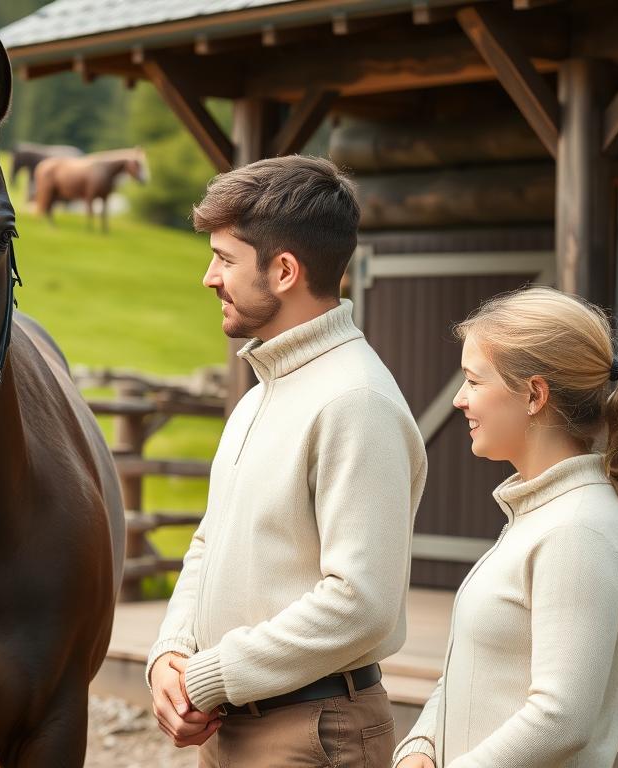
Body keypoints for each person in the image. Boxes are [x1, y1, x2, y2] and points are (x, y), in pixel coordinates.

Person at [146, 155, 427, 766]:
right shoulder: (260, 397)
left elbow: (361, 601)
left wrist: (211, 675)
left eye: (224, 258)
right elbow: (207, 543)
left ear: (283, 270)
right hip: (234, 723)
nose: (208, 278)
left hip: (314, 733)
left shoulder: (355, 401)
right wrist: (171, 652)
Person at [393, 286, 618, 767]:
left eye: (474, 381)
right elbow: (470, 665)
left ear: (534, 394)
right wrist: (421, 746)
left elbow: (560, 719)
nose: (460, 399)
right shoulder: (542, 514)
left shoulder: (577, 531)